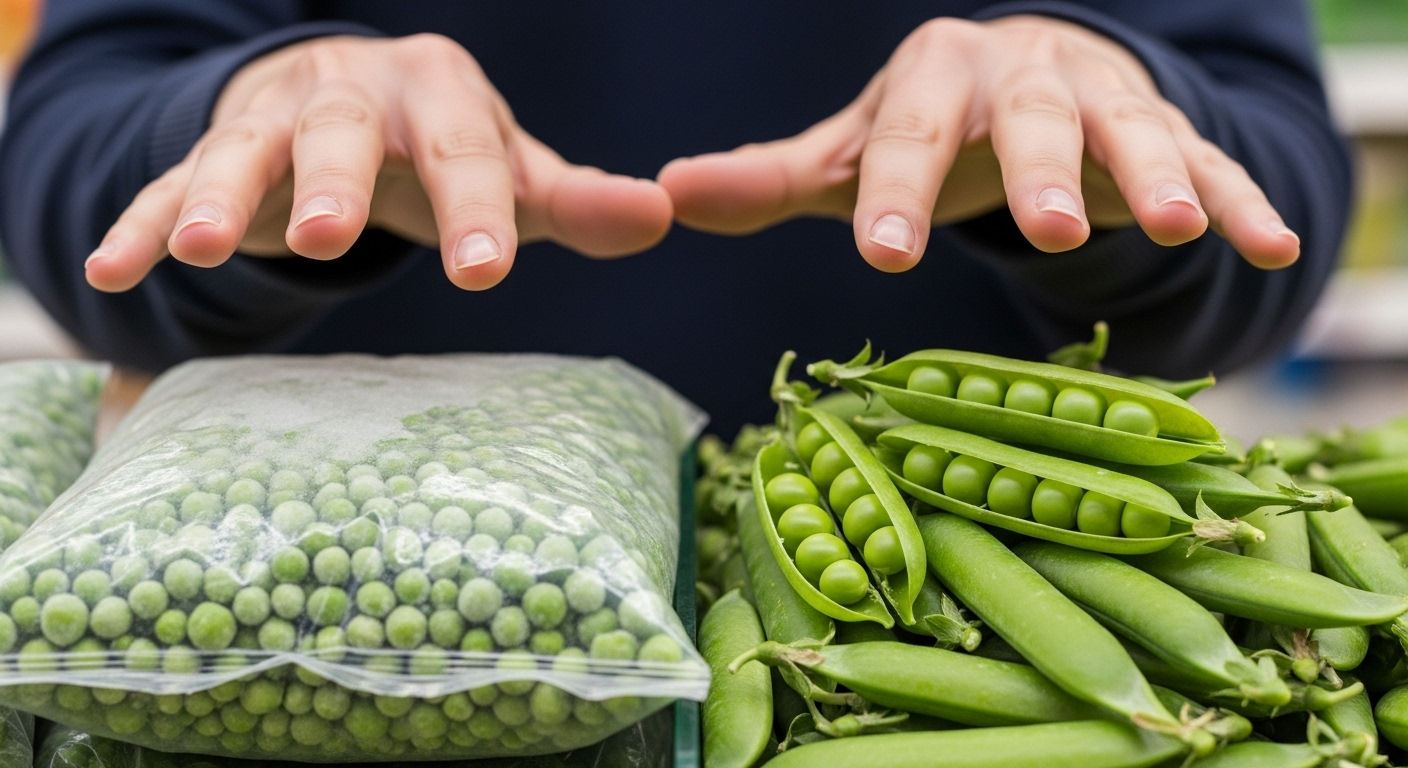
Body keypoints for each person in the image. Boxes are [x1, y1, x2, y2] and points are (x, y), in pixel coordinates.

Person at [0, 1, 1349, 435]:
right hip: (362, 633)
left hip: (960, 662)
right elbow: (70, 156)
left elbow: (1273, 193)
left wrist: (1115, 160)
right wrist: (245, 142)